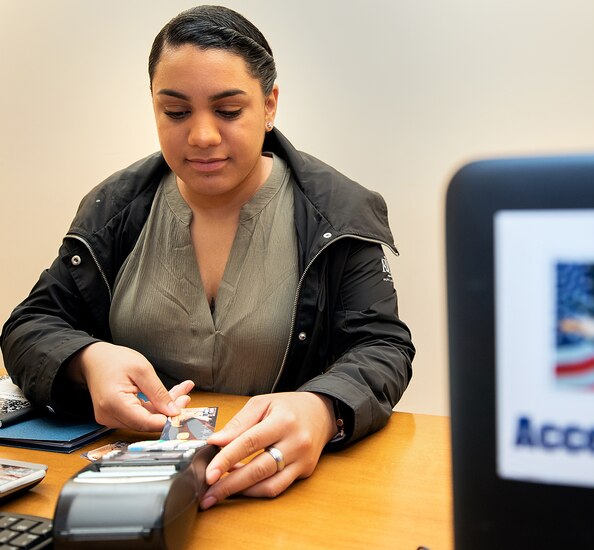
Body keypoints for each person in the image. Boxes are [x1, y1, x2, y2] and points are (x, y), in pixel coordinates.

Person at [0, 5, 414, 510]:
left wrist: (323, 408)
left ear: (269, 105)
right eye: (175, 112)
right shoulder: (114, 210)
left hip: (287, 496)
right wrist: (87, 360)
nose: (201, 136)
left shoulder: (340, 212)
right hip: (139, 494)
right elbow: (31, 324)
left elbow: (383, 346)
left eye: (228, 110)